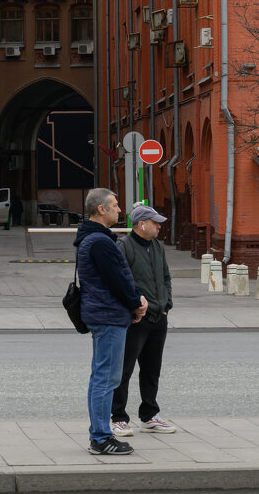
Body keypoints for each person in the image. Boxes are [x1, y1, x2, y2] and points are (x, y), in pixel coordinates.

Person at [75, 188, 148, 456]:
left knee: (102, 377)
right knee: (106, 379)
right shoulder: (100, 242)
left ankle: (100, 435)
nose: (120, 210)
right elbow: (116, 279)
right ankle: (101, 437)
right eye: (115, 205)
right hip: (107, 315)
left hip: (104, 314)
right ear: (101, 209)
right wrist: (136, 302)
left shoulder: (95, 239)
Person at [111, 203, 176, 436]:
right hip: (136, 320)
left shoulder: (158, 246)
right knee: (124, 369)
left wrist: (166, 304)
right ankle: (118, 417)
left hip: (159, 317)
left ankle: (149, 415)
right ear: (141, 224)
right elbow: (121, 281)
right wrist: (134, 307)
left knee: (151, 369)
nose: (159, 226)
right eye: (155, 222)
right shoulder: (124, 247)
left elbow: (166, 278)